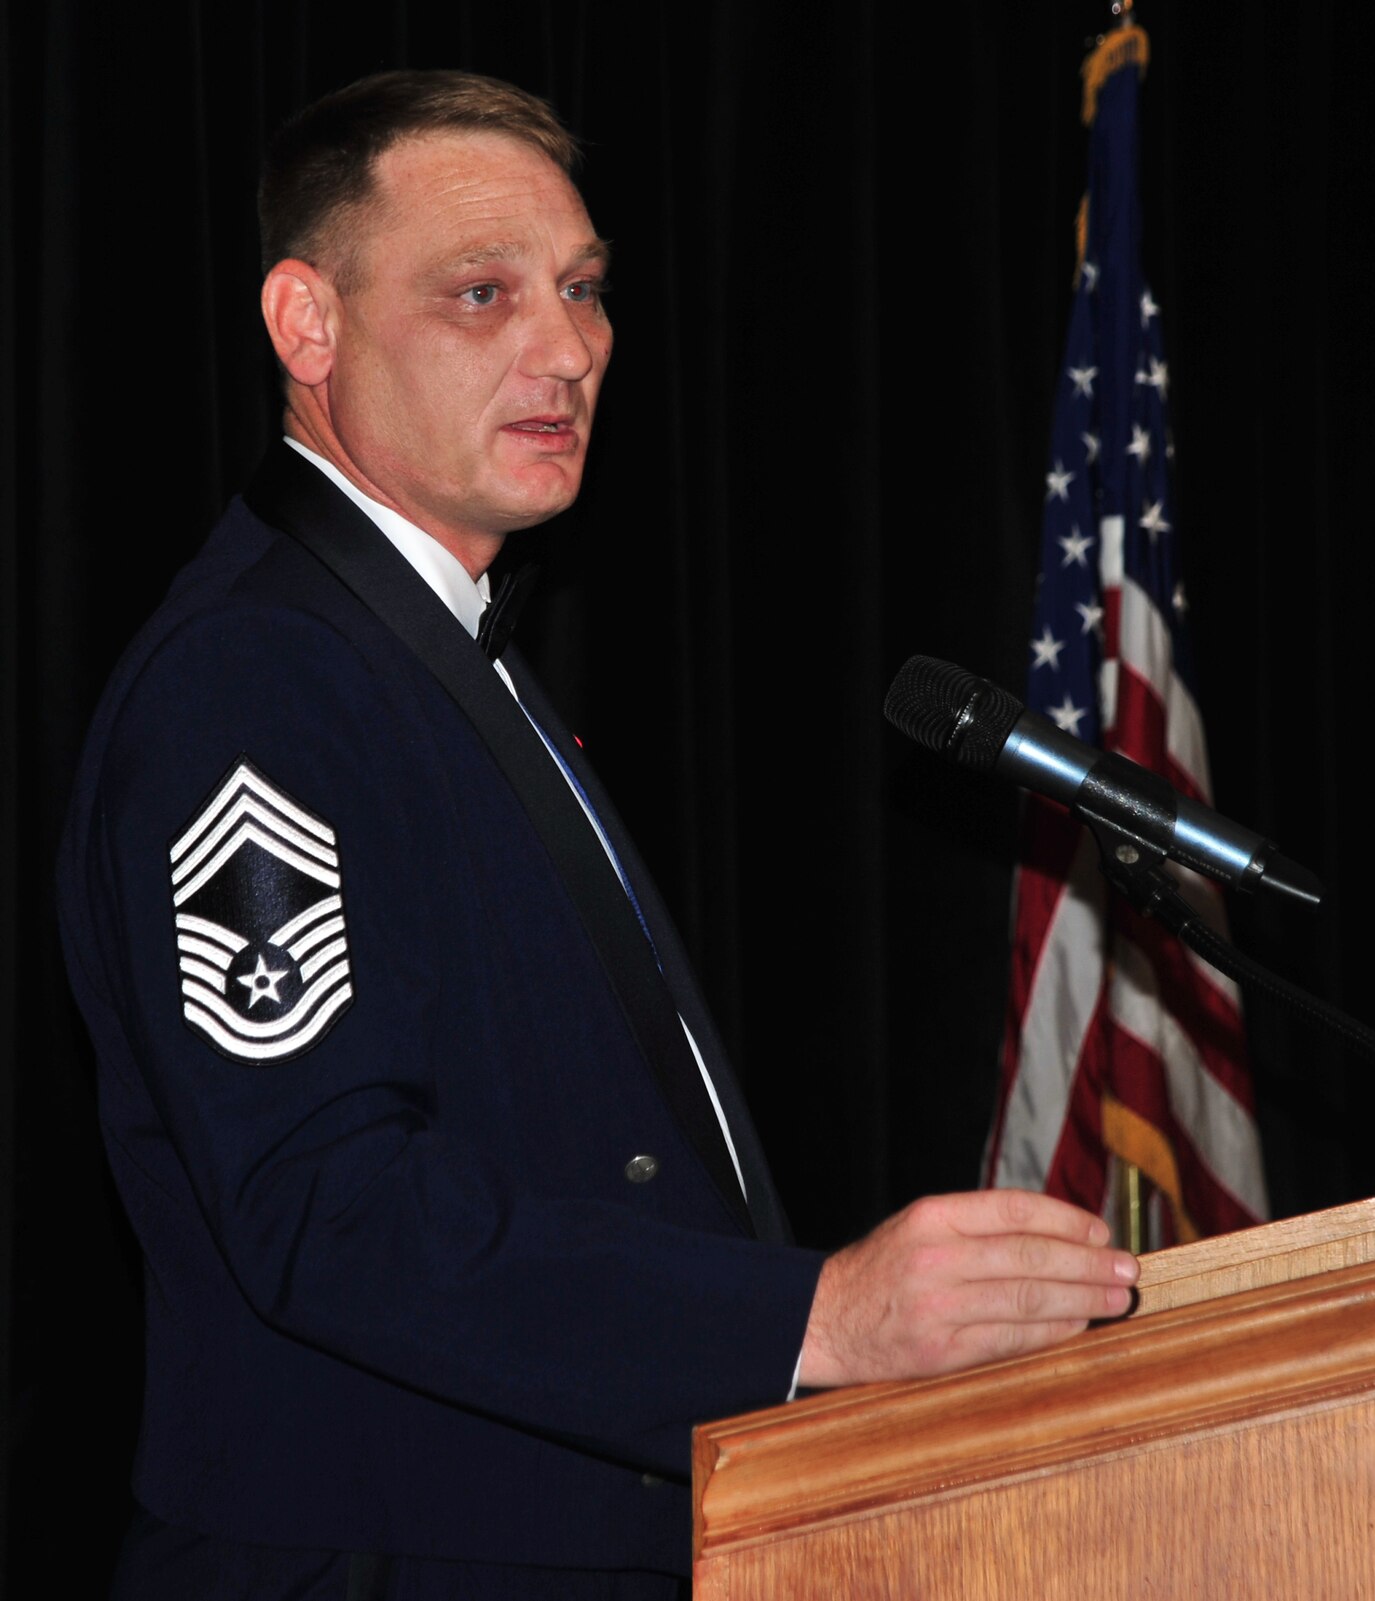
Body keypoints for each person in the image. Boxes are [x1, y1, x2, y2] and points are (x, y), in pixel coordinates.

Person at [56, 69, 1137, 1599]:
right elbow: (329, 1206)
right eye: (482, 294)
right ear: (307, 325)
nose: (568, 350)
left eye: (582, 289)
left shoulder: (425, 647)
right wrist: (813, 1319)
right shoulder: (253, 680)